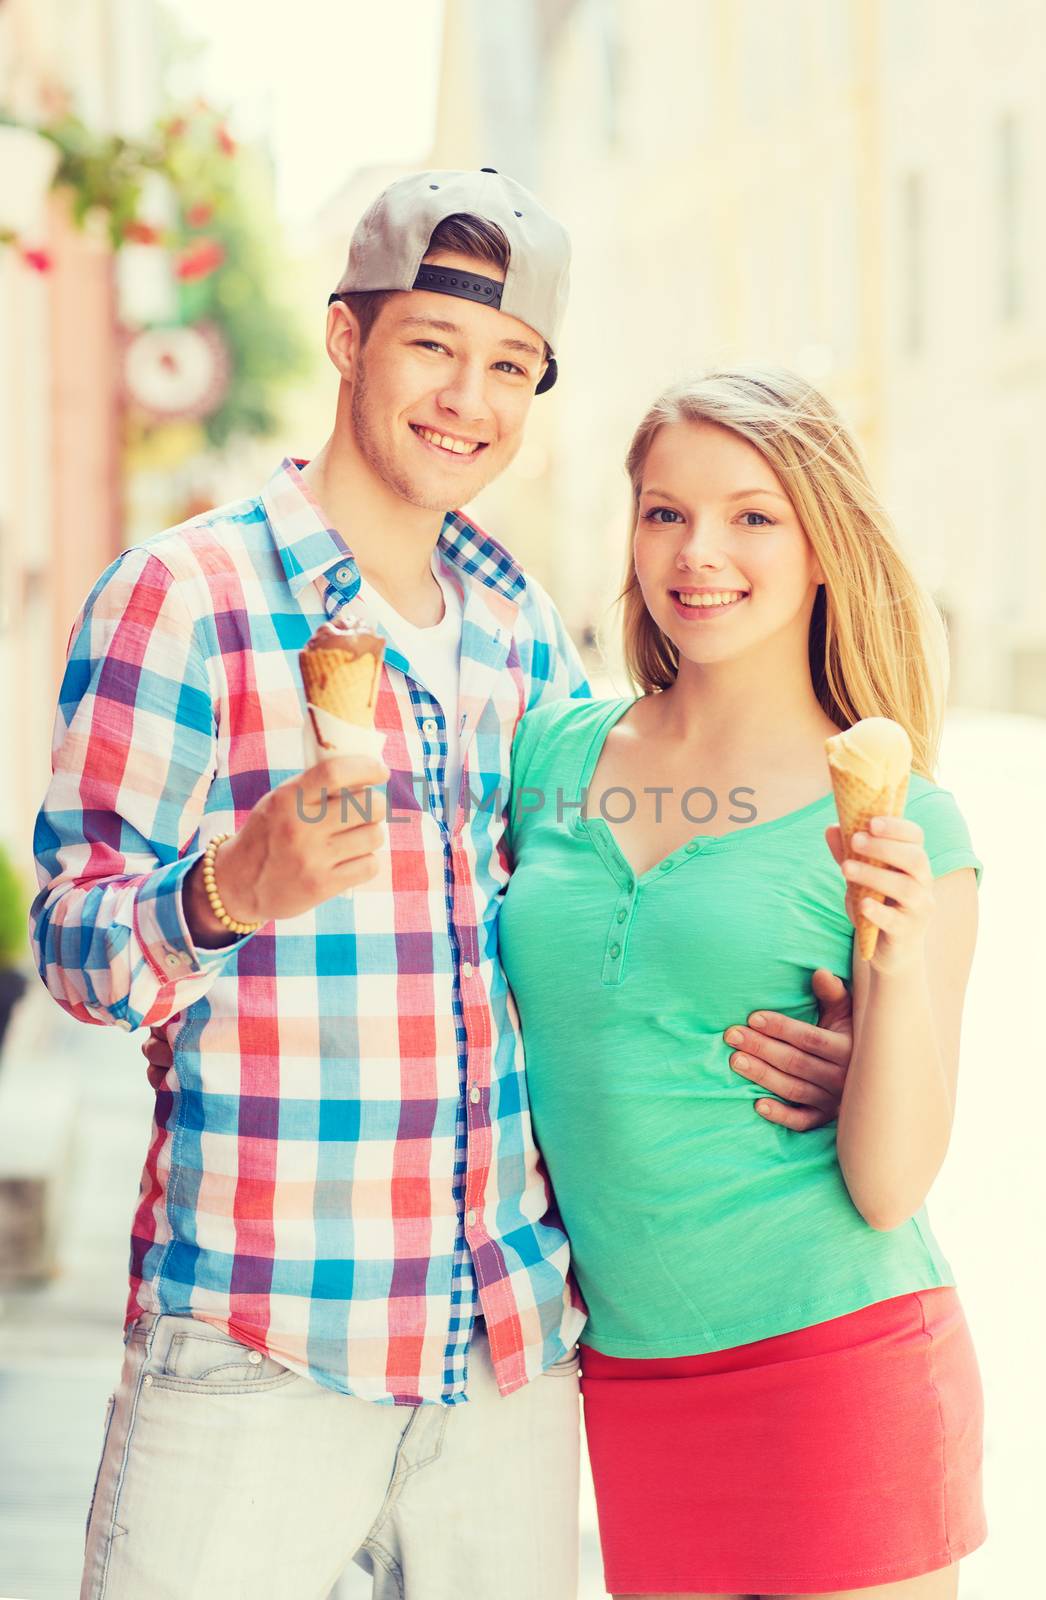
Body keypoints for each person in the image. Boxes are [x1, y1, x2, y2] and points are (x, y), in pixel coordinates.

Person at [30, 172, 854, 1600]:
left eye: (510, 366)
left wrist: (826, 1046)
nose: (467, 397)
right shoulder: (189, 598)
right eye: (430, 345)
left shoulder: (521, 630)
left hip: (503, 1360)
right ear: (347, 340)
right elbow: (73, 953)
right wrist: (230, 887)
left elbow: (596, 930)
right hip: (256, 1341)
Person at [500, 368, 987, 1600]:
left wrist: (887, 966)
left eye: (750, 515)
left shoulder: (903, 822)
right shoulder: (549, 752)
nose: (696, 551)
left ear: (823, 542)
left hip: (837, 1371)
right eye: (663, 512)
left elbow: (888, 1183)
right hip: (628, 1379)